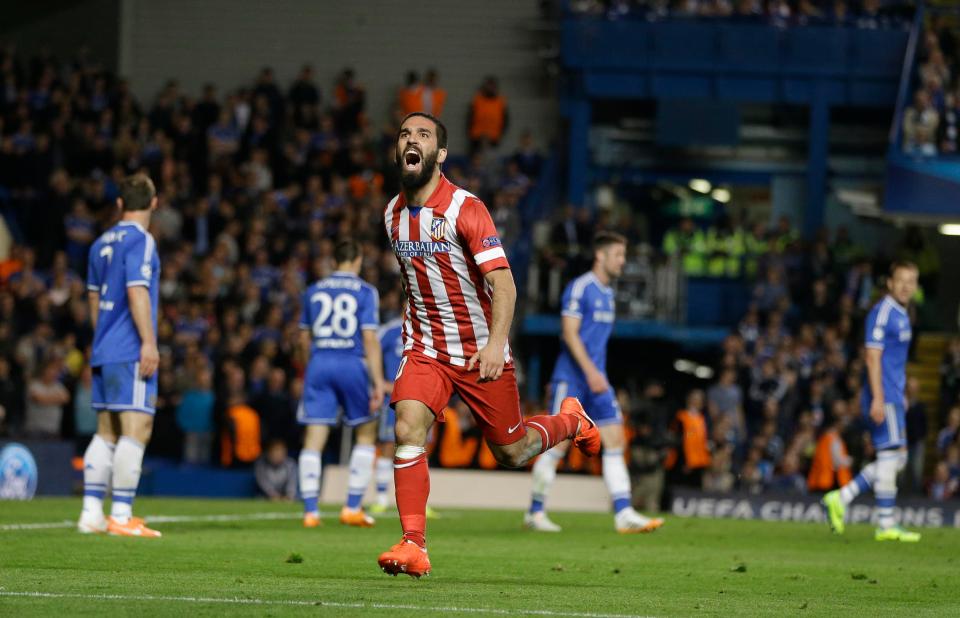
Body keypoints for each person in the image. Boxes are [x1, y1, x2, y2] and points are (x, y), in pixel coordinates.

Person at [378, 112, 600, 578]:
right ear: (399, 151)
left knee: (511, 451)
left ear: (439, 154)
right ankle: (413, 544)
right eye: (404, 134)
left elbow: (504, 283)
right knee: (406, 428)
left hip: (480, 350)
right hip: (425, 347)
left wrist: (497, 343)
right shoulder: (391, 215)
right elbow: (414, 283)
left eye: (422, 135)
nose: (410, 140)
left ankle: (570, 420)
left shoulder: (465, 208)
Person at [523, 232, 664, 534]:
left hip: (597, 379)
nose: (622, 262)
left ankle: (623, 513)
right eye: (618, 255)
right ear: (601, 256)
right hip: (574, 378)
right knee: (558, 446)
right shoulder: (580, 287)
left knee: (616, 440)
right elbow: (569, 333)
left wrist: (597, 374)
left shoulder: (609, 294)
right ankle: (535, 512)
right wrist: (590, 372)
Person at [77, 173, 163, 538]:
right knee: (137, 427)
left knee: (107, 430)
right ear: (153, 204)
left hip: (103, 346)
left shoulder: (99, 244)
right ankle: (122, 515)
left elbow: (94, 299)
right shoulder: (141, 240)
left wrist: (102, 340)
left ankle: (91, 513)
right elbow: (137, 291)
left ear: (119, 203)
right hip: (130, 348)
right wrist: (148, 342)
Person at [822, 262, 922, 542]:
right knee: (891, 458)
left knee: (897, 457)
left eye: (911, 281)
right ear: (889, 283)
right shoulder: (882, 312)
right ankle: (886, 524)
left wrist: (899, 393)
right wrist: (878, 397)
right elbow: (872, 357)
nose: (906, 286)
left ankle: (842, 497)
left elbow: (893, 360)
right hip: (883, 395)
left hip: (893, 394)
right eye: (901, 280)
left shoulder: (902, 313)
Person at [297, 239, 385, 529]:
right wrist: (378, 381)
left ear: (334, 261)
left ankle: (310, 511)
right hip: (351, 363)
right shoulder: (366, 292)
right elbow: (370, 339)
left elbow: (302, 339)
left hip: (319, 362)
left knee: (314, 437)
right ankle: (352, 507)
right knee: (366, 431)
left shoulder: (313, 290)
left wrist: (306, 366)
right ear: (358, 261)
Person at [369, 312, 404, 513]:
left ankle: (420, 502)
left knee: (421, 448)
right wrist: (379, 383)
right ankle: (381, 498)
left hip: (421, 397)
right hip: (394, 397)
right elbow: (370, 350)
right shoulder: (391, 330)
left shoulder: (430, 326)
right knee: (388, 445)